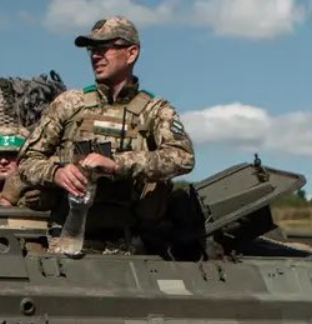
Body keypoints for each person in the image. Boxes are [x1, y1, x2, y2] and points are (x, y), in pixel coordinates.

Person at [15, 16, 195, 244]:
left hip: (129, 242)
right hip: (67, 237)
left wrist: (117, 165)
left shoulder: (155, 110)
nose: (95, 56)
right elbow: (26, 161)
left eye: (105, 48)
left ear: (132, 53)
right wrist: (57, 173)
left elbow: (183, 157)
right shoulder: (69, 103)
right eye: (92, 49)